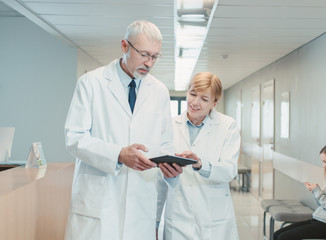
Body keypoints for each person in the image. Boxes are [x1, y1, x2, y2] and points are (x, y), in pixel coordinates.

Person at [64, 20, 182, 240]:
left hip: (140, 204)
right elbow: (75, 137)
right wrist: (118, 154)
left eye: (155, 56)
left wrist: (172, 164)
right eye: (144, 54)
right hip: (100, 202)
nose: (149, 63)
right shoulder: (91, 83)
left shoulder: (159, 92)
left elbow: (164, 144)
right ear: (125, 46)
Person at [157, 72, 241, 240]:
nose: (195, 102)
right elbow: (159, 181)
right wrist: (155, 222)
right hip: (178, 216)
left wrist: (201, 164)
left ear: (214, 103)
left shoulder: (227, 126)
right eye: (192, 94)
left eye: (204, 99)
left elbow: (229, 171)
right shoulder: (169, 126)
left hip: (214, 219)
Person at [273, 143, 326, 240]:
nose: (324, 166)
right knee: (277, 234)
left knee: (283, 237)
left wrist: (317, 191)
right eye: (323, 162)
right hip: (319, 219)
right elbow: (323, 205)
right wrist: (315, 191)